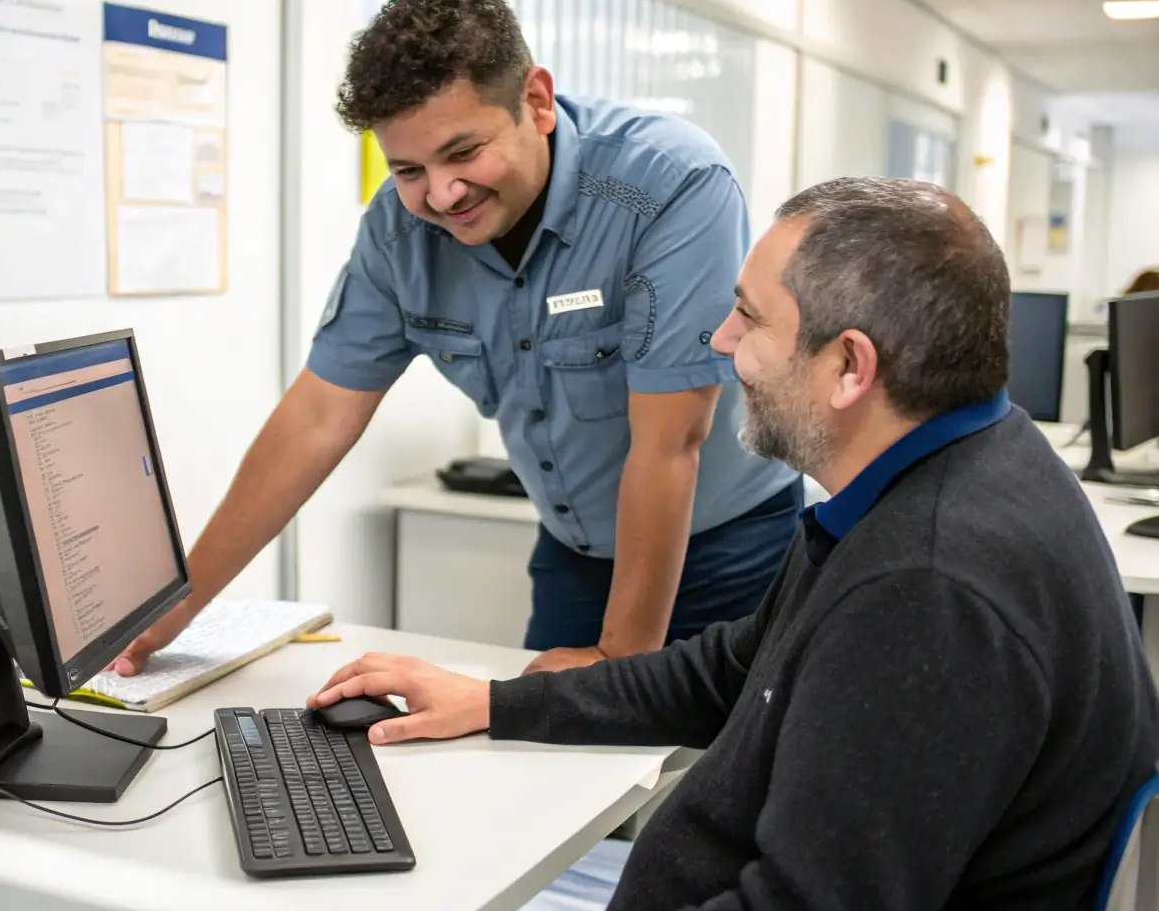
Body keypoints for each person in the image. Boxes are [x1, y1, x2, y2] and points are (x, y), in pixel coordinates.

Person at [308, 177, 1159, 910]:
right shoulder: (950, 470)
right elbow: (730, 674)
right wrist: (492, 703)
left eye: (748, 318)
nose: (719, 341)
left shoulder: (926, 590)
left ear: (849, 367)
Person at [112, 0, 798, 677]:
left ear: (535, 101)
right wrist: (176, 606)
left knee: (720, 774)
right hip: (575, 551)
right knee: (550, 772)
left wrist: (617, 662)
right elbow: (318, 415)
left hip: (728, 547)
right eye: (409, 168)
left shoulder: (666, 182)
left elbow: (670, 441)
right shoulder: (397, 232)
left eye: (464, 153)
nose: (441, 194)